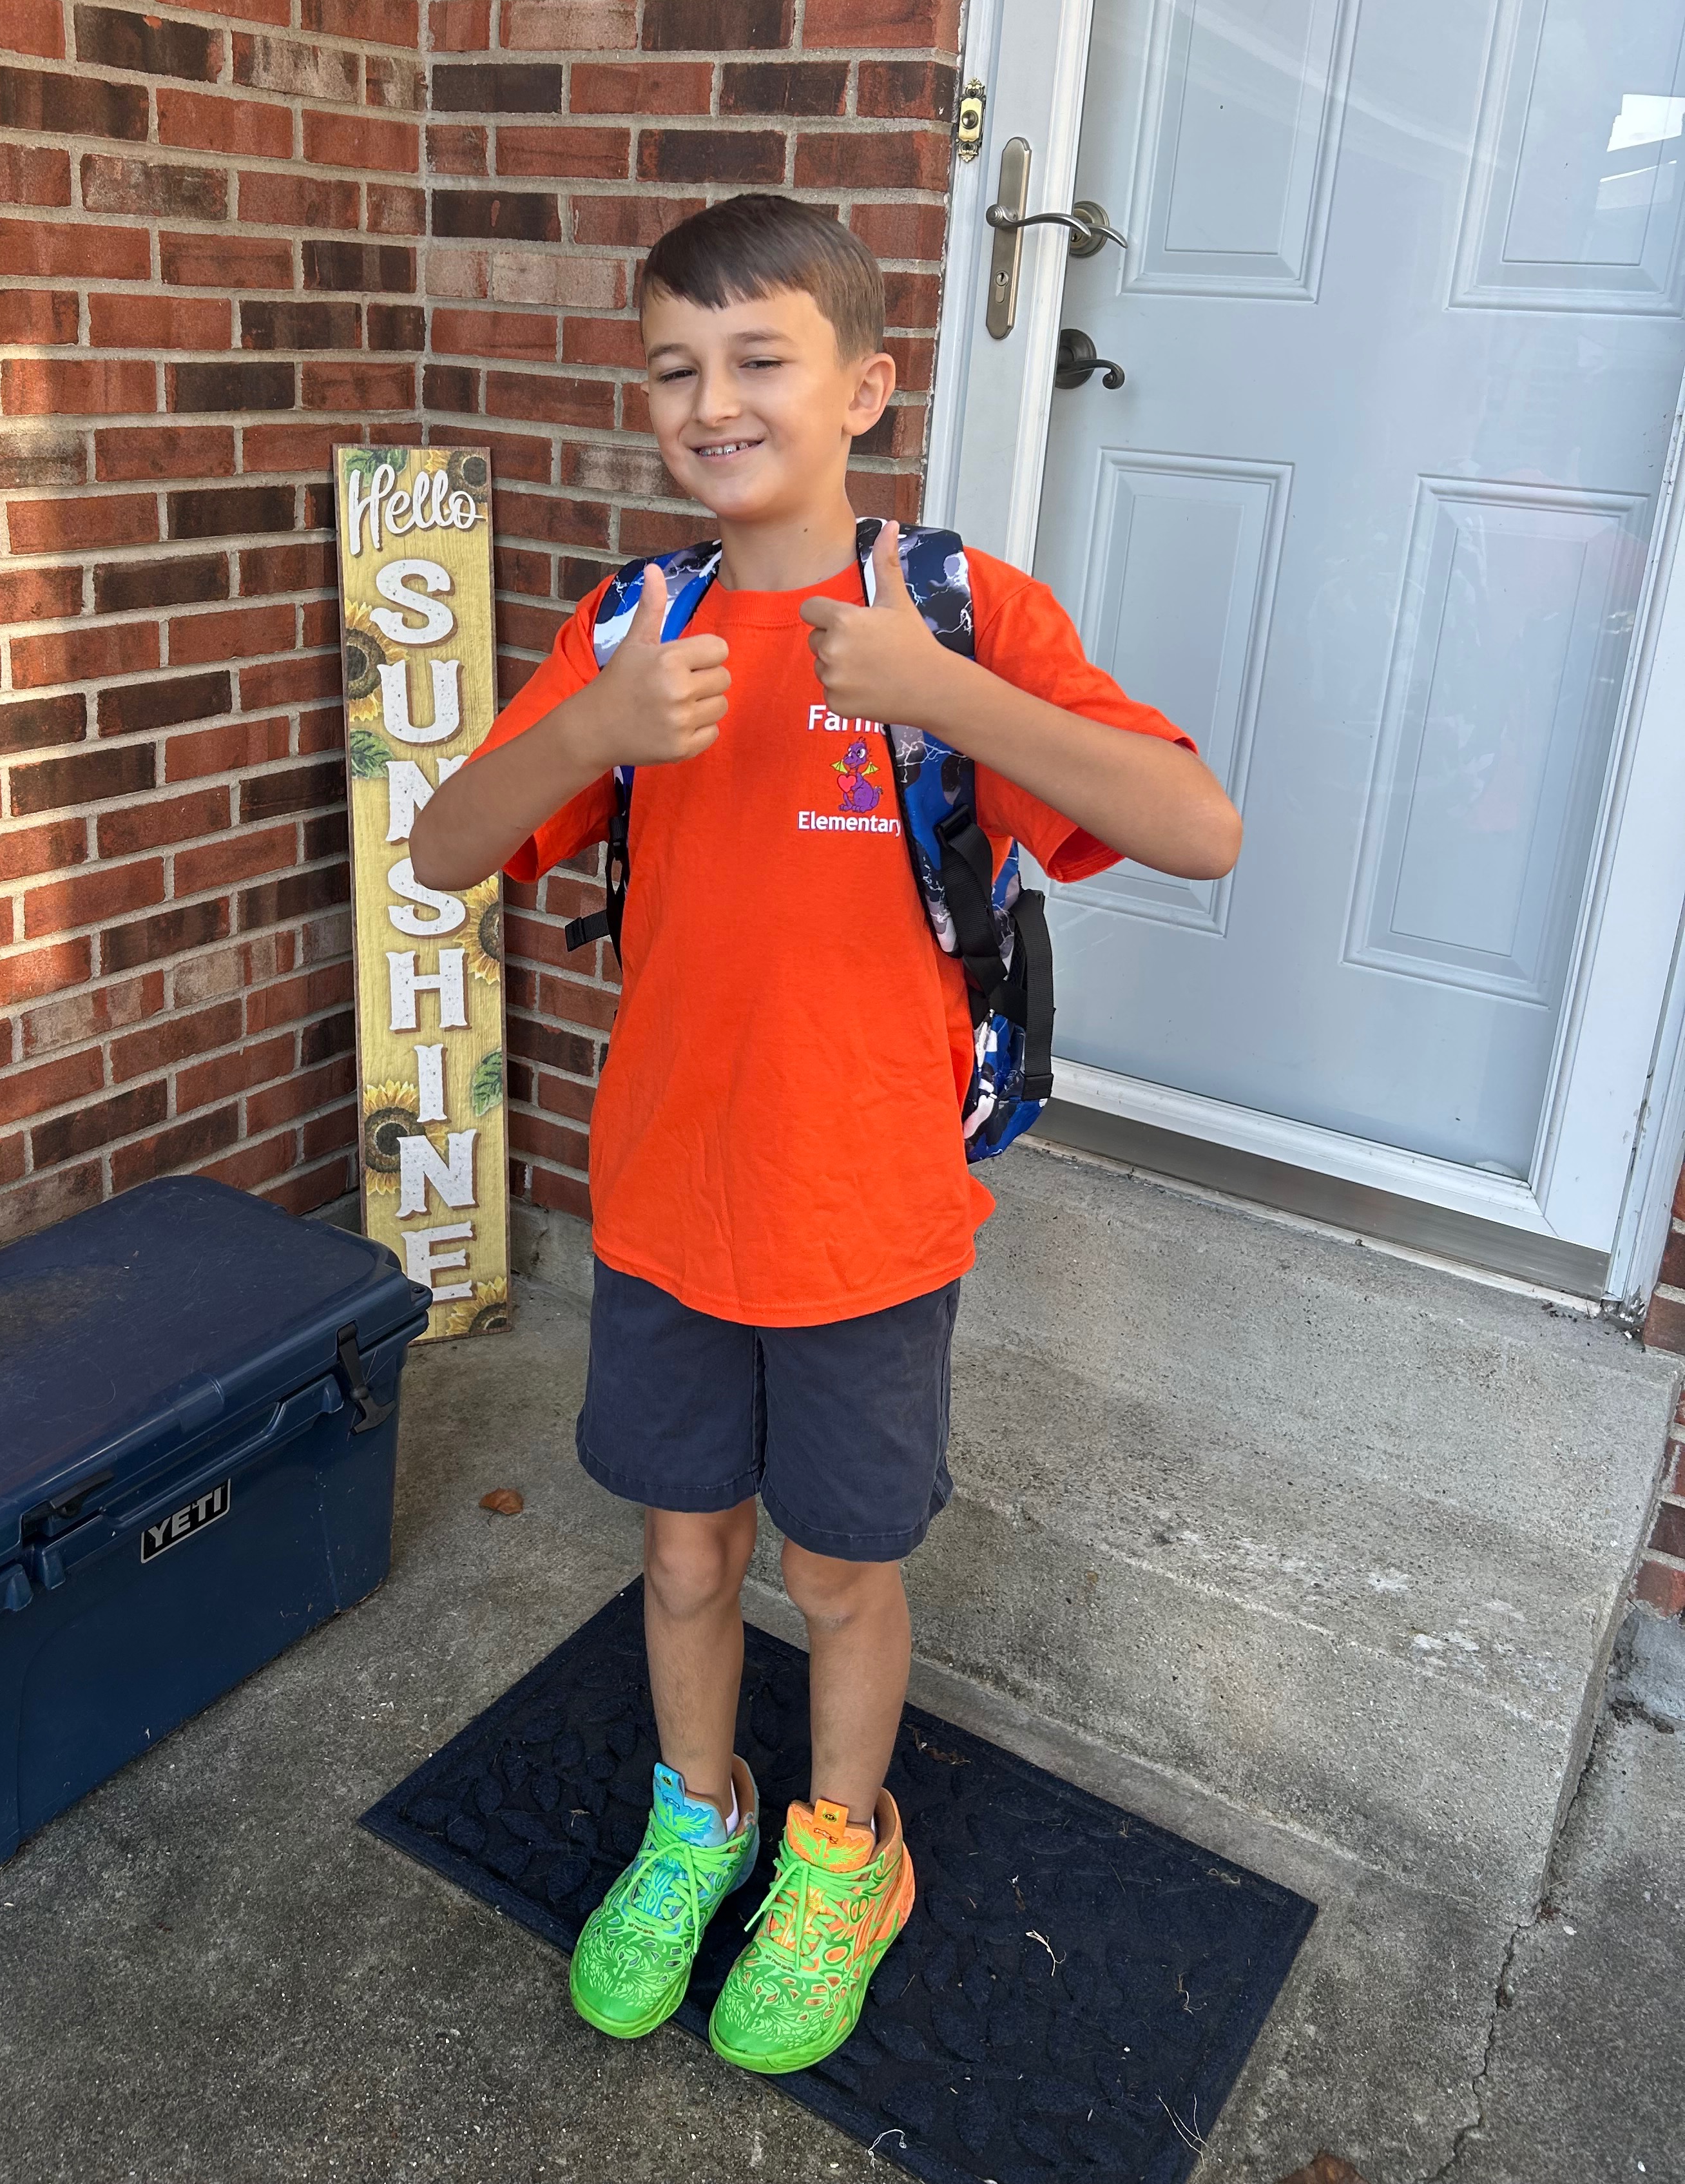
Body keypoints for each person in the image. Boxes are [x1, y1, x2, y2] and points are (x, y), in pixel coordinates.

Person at [409, 192, 1241, 2076]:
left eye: (759, 359)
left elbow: (1198, 830)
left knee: (845, 1572)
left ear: (865, 388)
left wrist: (947, 697)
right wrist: (592, 730)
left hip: (867, 1219)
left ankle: (843, 1856)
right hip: (666, 1210)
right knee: (685, 1557)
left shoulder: (959, 614)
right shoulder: (636, 627)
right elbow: (446, 850)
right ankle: (694, 1820)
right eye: (673, 369)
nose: (712, 401)